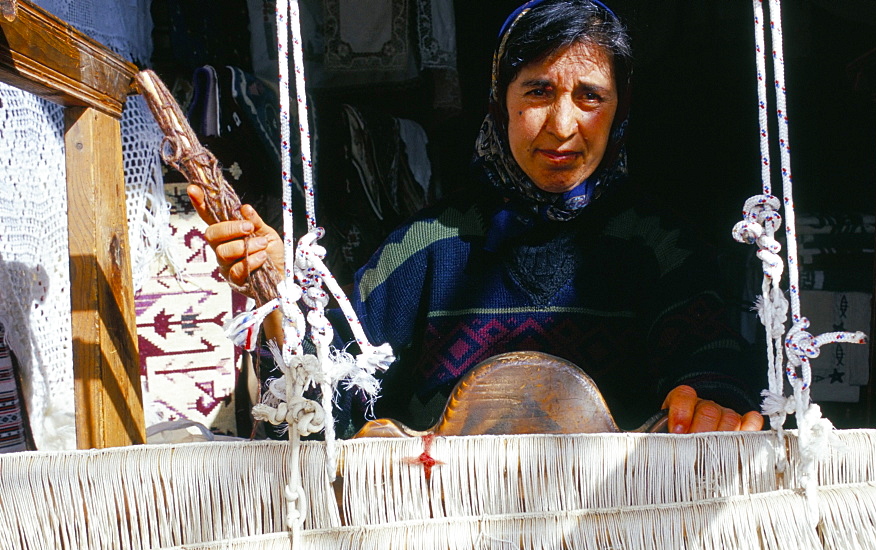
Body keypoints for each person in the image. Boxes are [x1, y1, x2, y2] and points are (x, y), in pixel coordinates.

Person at [191, 0, 764, 435]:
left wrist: (708, 400)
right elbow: (324, 402)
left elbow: (713, 357)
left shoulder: (656, 247)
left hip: (614, 544)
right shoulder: (430, 248)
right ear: (499, 100)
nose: (563, 126)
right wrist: (283, 301)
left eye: (590, 97)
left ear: (620, 112)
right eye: (537, 91)